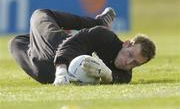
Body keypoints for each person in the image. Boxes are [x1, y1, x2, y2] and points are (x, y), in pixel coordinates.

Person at [9, 7, 156, 86]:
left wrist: (108, 75)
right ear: (126, 43)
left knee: (16, 42)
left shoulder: (125, 76)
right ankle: (96, 23)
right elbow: (72, 44)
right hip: (60, 47)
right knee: (41, 14)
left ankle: (94, 23)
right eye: (130, 55)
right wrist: (61, 70)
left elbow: (119, 78)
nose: (128, 63)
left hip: (47, 73)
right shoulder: (105, 37)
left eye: (135, 63)